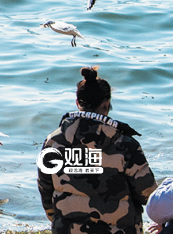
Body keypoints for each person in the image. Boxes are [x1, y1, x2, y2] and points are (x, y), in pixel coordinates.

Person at [38, 67, 157, 234]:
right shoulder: (125, 144)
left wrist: (60, 221)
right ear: (106, 104)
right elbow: (148, 195)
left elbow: (45, 191)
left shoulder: (53, 142)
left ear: (78, 103)